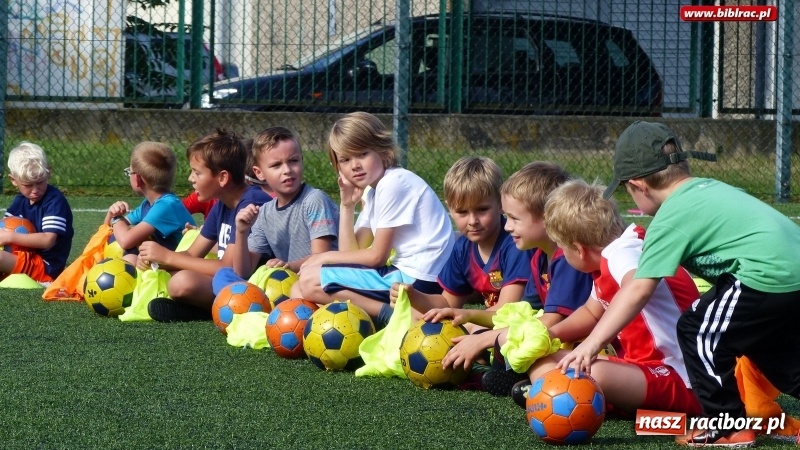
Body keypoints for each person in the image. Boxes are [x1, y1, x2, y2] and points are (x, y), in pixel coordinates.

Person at [561, 120, 800, 447]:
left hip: (765, 273)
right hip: (790, 272)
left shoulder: (671, 216)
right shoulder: (710, 188)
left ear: (639, 186)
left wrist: (591, 342)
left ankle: (728, 427)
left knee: (697, 330)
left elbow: (637, 289)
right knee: (771, 349)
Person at [510, 179, 702, 419]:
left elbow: (637, 287)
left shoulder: (623, 252)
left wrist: (593, 343)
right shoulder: (607, 261)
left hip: (683, 377)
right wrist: (549, 336)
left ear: (578, 249)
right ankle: (565, 395)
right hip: (647, 371)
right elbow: (591, 312)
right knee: (549, 359)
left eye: (562, 248)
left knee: (590, 373)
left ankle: (567, 398)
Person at [421, 162, 594, 395]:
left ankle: (540, 387)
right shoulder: (538, 257)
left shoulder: (567, 258)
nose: (508, 226)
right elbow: (527, 314)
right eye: (507, 217)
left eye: (513, 218)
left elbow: (551, 324)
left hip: (591, 344)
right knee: (513, 344)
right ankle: (518, 377)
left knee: (534, 357)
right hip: (563, 337)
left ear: (547, 217)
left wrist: (488, 339)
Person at [292, 111, 455, 329]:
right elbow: (353, 254)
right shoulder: (373, 191)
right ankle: (352, 323)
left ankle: (391, 316)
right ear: (337, 167)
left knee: (311, 281)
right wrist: (347, 206)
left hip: (419, 281)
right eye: (345, 159)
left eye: (362, 154)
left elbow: (377, 257)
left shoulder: (393, 183)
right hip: (406, 276)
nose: (354, 165)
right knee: (299, 288)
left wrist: (325, 257)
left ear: (383, 151)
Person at [139, 129, 272, 322]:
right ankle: (211, 309)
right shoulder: (221, 205)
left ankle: (205, 311)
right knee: (176, 275)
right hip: (227, 282)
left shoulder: (252, 203)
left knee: (181, 282)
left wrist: (167, 256)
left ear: (222, 178)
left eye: (197, 172)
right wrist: (158, 261)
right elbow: (193, 254)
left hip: (254, 285)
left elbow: (230, 268)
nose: (190, 179)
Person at [390, 156, 532, 319]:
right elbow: (448, 303)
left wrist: (468, 320)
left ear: (501, 204)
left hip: (529, 322)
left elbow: (508, 310)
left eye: (482, 209)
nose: (472, 221)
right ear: (450, 208)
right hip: (499, 322)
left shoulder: (516, 243)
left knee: (469, 330)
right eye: (462, 212)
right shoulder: (463, 249)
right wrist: (414, 297)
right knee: (414, 317)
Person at [214, 126, 338, 288]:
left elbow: (321, 258)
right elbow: (243, 272)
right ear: (259, 173)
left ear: (302, 160)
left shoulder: (314, 200)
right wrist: (242, 232)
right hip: (286, 284)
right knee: (224, 275)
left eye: (293, 161)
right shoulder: (265, 212)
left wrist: (287, 266)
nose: (287, 170)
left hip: (319, 282)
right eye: (276, 165)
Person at [104, 141, 195, 266]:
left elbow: (126, 240)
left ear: (137, 179)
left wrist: (116, 218)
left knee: (130, 258)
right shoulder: (149, 204)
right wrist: (112, 213)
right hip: (166, 265)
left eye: (129, 172)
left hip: (181, 268)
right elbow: (108, 231)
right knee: (127, 251)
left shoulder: (166, 206)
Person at [0, 142, 73, 284]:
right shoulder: (20, 200)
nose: (35, 190)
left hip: (44, 266)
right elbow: (4, 227)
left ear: (48, 173)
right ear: (13, 180)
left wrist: (9, 237)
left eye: (40, 182)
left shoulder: (54, 200)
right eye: (27, 185)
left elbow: (48, 240)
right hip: (22, 256)